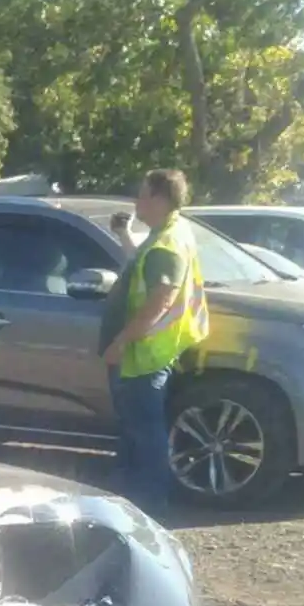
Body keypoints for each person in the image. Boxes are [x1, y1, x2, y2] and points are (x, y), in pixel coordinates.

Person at [97, 169, 210, 509]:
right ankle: (132, 495)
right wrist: (124, 235)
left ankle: (149, 502)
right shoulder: (169, 232)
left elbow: (161, 297)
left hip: (144, 355)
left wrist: (122, 342)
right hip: (146, 352)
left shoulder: (167, 244)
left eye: (143, 194)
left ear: (160, 199)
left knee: (144, 433)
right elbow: (143, 267)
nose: (137, 201)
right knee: (137, 429)